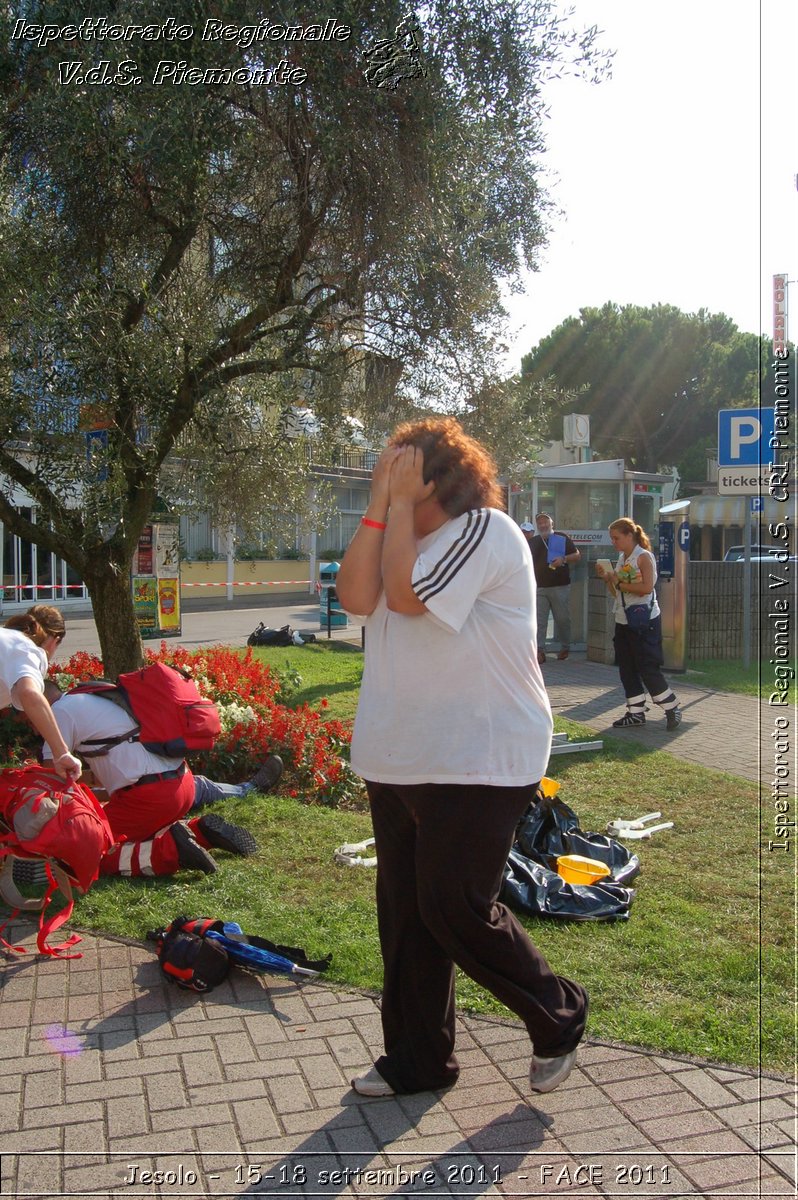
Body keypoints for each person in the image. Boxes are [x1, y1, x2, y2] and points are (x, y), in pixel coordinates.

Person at [336, 417, 588, 1099]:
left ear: (434, 472)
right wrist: (377, 511)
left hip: (479, 752)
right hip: (399, 751)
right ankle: (418, 1061)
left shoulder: (485, 532)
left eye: (394, 464)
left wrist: (393, 511)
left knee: (452, 904)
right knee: (406, 915)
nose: (380, 472)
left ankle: (558, 1015)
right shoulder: (394, 534)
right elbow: (357, 596)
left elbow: (409, 598)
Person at [40, 682, 284, 877]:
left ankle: (172, 851)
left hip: (149, 798)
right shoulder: (92, 697)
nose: (32, 727)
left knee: (84, 851)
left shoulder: (58, 713)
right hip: (182, 783)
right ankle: (199, 832)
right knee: (129, 825)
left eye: (28, 718)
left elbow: (53, 786)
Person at [596, 517, 682, 730]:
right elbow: (617, 592)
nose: (613, 542)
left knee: (647, 666)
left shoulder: (644, 557)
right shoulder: (622, 557)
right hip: (623, 618)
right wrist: (608, 579)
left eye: (616, 538)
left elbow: (646, 587)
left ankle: (671, 707)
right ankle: (635, 712)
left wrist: (618, 582)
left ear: (629, 535)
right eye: (612, 539)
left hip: (644, 619)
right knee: (626, 667)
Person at [0, 607, 82, 781]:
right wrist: (61, 753)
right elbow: (29, 693)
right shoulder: (28, 649)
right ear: (55, 641)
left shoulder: (7, 640)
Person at [528, 514, 580, 663]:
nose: (543, 525)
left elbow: (577, 555)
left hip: (560, 586)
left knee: (562, 619)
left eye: (545, 522)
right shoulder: (533, 542)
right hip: (539, 587)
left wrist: (563, 559)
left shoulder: (561, 537)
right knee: (540, 621)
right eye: (540, 522)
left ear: (552, 523)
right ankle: (540, 651)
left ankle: (565, 646)